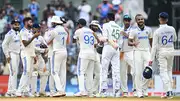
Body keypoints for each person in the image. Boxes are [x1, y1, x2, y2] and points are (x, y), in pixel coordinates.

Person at [150, 12, 177, 99]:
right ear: (167, 20)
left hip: (162, 52)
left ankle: (169, 90)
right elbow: (175, 39)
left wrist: (151, 59)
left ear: (159, 19)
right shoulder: (172, 29)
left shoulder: (157, 31)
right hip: (171, 51)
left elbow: (154, 47)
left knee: (163, 72)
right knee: (169, 71)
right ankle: (168, 92)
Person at [128, 14, 152, 98]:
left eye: (142, 19)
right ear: (136, 21)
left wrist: (152, 52)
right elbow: (129, 42)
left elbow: (151, 41)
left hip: (146, 51)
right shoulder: (133, 31)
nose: (141, 20)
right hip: (137, 52)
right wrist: (133, 43)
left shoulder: (149, 30)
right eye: (139, 19)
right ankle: (139, 92)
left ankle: (144, 89)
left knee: (149, 71)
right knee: (138, 73)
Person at [99, 13, 122, 97]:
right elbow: (120, 42)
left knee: (104, 69)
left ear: (107, 19)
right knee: (116, 69)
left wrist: (100, 40)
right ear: (114, 18)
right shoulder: (119, 27)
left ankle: (103, 91)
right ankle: (116, 91)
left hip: (108, 46)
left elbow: (105, 38)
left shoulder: (105, 25)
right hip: (116, 48)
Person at [46, 16, 69, 97]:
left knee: (54, 72)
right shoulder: (65, 31)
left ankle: (60, 90)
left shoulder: (53, 31)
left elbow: (47, 42)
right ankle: (63, 89)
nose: (52, 24)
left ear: (55, 23)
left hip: (57, 52)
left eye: (52, 23)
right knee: (63, 72)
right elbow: (67, 41)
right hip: (64, 51)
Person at [16, 17, 40, 97]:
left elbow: (32, 46)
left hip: (30, 54)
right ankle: (19, 90)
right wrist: (34, 36)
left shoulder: (30, 31)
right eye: (30, 22)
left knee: (29, 73)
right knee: (26, 71)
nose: (32, 23)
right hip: (25, 54)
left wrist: (34, 55)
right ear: (25, 22)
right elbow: (25, 43)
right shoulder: (23, 31)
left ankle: (26, 91)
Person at [73, 19, 97, 96]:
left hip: (83, 54)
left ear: (80, 24)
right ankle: (90, 92)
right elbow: (95, 44)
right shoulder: (91, 31)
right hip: (92, 53)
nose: (77, 26)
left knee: (80, 72)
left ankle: (82, 91)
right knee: (89, 74)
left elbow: (73, 41)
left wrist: (78, 40)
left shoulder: (78, 31)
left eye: (78, 24)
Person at [2, 20, 21, 97]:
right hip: (11, 54)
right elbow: (4, 45)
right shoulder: (9, 34)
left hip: (17, 54)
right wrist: (7, 56)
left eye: (18, 24)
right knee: (13, 72)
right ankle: (13, 91)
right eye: (15, 24)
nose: (17, 26)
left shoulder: (18, 33)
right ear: (12, 25)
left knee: (14, 73)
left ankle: (9, 91)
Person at [120, 15, 136, 97]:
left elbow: (135, 40)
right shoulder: (119, 29)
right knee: (122, 73)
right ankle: (125, 91)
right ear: (123, 21)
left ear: (130, 21)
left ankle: (135, 89)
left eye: (128, 20)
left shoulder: (133, 30)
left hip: (130, 51)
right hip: (121, 53)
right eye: (125, 20)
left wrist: (126, 34)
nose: (127, 22)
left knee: (134, 71)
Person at [31, 23, 49, 97]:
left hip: (40, 57)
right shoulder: (30, 37)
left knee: (45, 73)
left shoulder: (40, 38)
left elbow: (46, 47)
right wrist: (42, 50)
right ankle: (33, 92)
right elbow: (32, 48)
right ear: (33, 29)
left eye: (40, 28)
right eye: (37, 28)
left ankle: (42, 91)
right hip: (33, 57)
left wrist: (45, 50)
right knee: (34, 74)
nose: (39, 29)